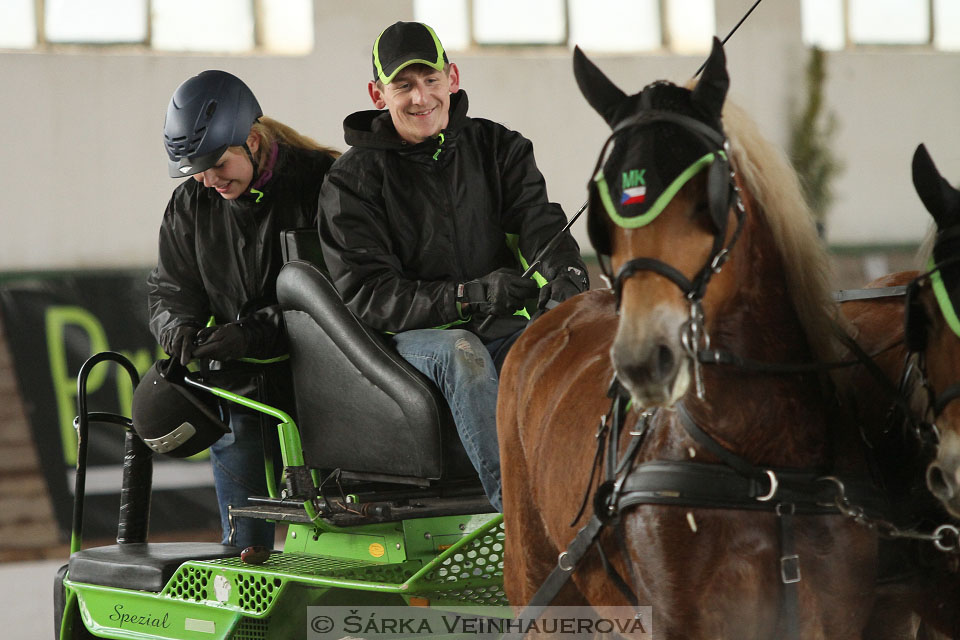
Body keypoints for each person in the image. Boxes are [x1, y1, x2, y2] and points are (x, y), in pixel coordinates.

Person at [318, 22, 588, 511]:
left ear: (453, 78)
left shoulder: (500, 147)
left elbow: (539, 223)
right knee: (462, 352)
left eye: (430, 80)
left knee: (566, 345)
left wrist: (567, 275)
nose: (420, 97)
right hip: (407, 340)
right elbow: (370, 295)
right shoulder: (351, 181)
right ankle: (521, 517)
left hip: (499, 321)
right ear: (379, 94)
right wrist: (469, 295)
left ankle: (590, 500)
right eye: (403, 85)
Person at [147, 70, 339, 549]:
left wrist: (253, 333)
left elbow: (339, 295)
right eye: (197, 171)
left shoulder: (325, 184)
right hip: (239, 395)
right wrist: (178, 330)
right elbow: (170, 290)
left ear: (252, 140)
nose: (210, 181)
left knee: (330, 546)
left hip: (326, 398)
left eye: (217, 164)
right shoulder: (191, 203)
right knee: (245, 552)